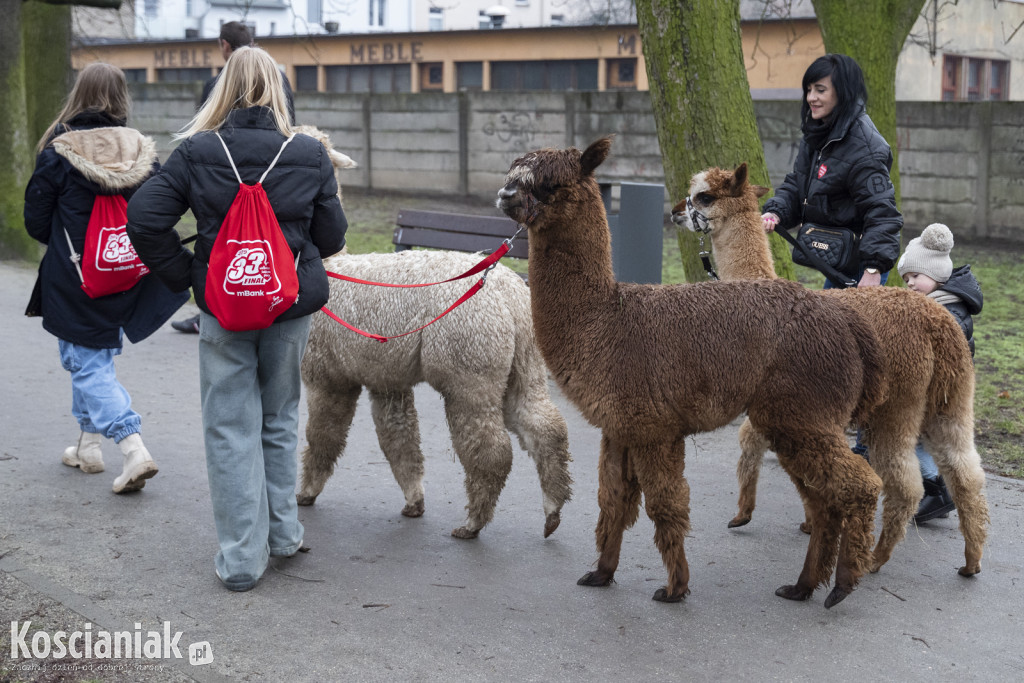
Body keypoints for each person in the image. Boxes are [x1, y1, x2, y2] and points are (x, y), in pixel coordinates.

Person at [126, 46, 348, 591]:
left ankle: (242, 560)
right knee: (278, 416)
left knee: (229, 426)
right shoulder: (309, 153)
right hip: (289, 307)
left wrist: (189, 275)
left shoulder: (198, 151)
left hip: (225, 308)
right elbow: (332, 237)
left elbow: (144, 217)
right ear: (278, 88)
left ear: (223, 89)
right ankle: (284, 535)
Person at [23, 63, 189, 493]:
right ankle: (87, 445)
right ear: (122, 97)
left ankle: (133, 447)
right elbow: (160, 211)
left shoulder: (59, 151)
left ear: (79, 94)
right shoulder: (142, 151)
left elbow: (36, 223)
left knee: (86, 363)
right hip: (128, 270)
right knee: (90, 355)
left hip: (78, 276)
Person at [172, 21, 296, 334]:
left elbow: (145, 219)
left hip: (225, 176)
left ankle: (219, 299)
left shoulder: (216, 84)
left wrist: (189, 272)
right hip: (277, 175)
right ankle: (271, 295)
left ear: (225, 46)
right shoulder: (281, 80)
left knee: (228, 246)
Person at [760, 53, 903, 289]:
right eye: (808, 90)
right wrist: (776, 212)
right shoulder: (818, 134)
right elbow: (798, 185)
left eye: (820, 90)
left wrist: (873, 269)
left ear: (843, 92)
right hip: (840, 260)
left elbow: (883, 213)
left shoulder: (864, 147)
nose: (811, 98)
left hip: (862, 268)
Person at [898, 223, 983, 522]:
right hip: (938, 384)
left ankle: (939, 491)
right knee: (927, 438)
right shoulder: (940, 301)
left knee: (916, 437)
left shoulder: (947, 310)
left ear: (936, 275)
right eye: (906, 278)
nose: (909, 283)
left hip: (942, 387)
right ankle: (938, 494)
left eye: (916, 276)